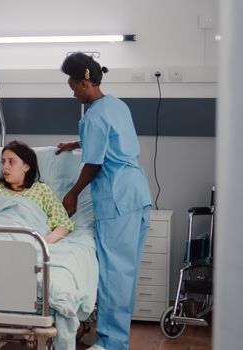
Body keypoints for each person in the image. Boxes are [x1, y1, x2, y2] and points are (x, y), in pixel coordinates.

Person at [56, 52, 152, 350]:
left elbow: (94, 163)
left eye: (72, 84)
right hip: (137, 193)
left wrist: (72, 194)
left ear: (84, 81)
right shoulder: (116, 105)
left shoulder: (93, 116)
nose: (71, 91)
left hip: (116, 200)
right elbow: (111, 139)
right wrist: (75, 142)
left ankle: (111, 344)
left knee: (113, 275)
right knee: (126, 273)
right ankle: (116, 339)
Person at [0, 141, 74, 244]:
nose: (5, 167)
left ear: (26, 166)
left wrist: (43, 242)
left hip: (22, 238)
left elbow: (63, 223)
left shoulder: (42, 190)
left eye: (11, 162)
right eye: (3, 162)